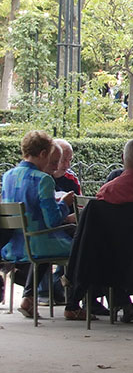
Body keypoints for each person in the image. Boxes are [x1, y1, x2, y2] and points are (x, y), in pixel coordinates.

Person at [1, 131, 77, 319]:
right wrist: (64, 204)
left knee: (43, 241)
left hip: (13, 244)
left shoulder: (8, 176)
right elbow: (53, 220)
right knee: (81, 244)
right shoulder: (43, 179)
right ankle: (76, 303)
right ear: (43, 154)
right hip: (37, 244)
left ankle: (29, 297)